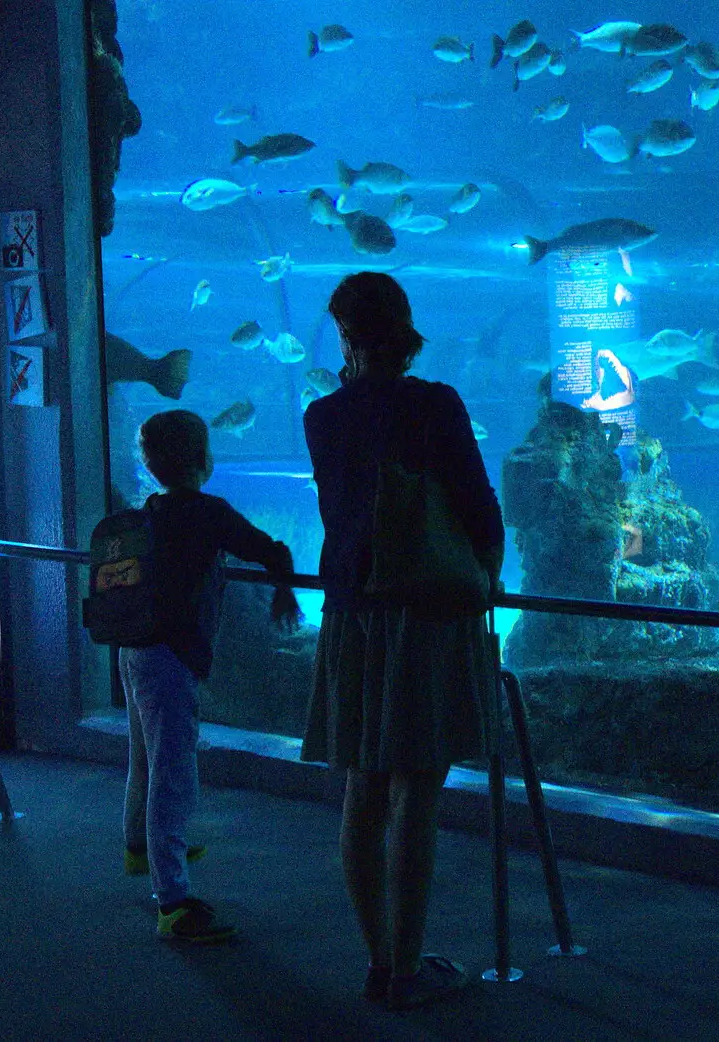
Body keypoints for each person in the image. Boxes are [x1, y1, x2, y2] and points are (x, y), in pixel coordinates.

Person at [301, 272, 504, 1012]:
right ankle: (408, 969)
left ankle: (379, 957)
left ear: (349, 336)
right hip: (425, 614)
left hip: (353, 614)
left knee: (362, 785)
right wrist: (489, 572)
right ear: (405, 329)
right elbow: (479, 508)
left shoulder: (322, 417)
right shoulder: (435, 405)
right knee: (416, 790)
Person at [122, 408, 300, 943]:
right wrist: (284, 591)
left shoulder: (149, 510)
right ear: (205, 460)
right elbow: (272, 549)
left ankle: (140, 849)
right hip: (172, 657)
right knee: (173, 773)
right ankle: (172, 901)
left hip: (135, 649)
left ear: (149, 465)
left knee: (145, 760)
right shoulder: (208, 513)